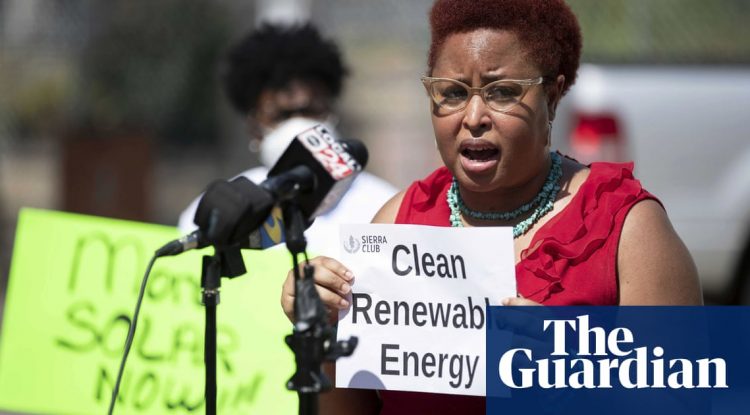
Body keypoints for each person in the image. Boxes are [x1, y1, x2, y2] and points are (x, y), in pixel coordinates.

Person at [280, 0, 703, 413]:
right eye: (452, 93)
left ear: (553, 96)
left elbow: (685, 402)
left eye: (502, 92)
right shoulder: (397, 225)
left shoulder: (626, 230)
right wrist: (320, 334)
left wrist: (574, 372)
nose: (473, 116)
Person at [178, 23, 397, 254]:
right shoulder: (221, 212)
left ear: (331, 114)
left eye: (311, 111)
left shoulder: (384, 206)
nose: (299, 127)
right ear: (254, 129)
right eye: (282, 116)